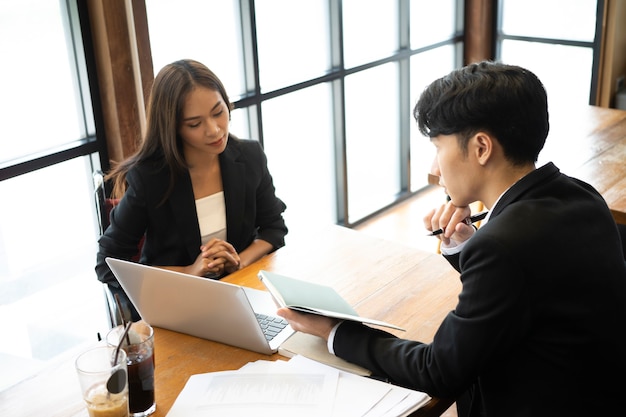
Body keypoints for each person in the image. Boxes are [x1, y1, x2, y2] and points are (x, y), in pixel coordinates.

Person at [277, 61, 626, 416]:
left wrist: (336, 332)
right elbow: (528, 285)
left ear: (481, 148)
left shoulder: (503, 245)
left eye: (437, 146)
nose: (433, 167)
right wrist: (465, 242)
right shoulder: (581, 195)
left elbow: (438, 371)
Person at [96, 59, 288, 320]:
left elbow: (273, 229)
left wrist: (238, 262)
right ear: (172, 127)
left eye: (218, 112)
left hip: (241, 297)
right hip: (176, 306)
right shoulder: (150, 178)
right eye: (195, 124)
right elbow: (108, 264)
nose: (214, 130)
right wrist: (190, 272)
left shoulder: (249, 156)